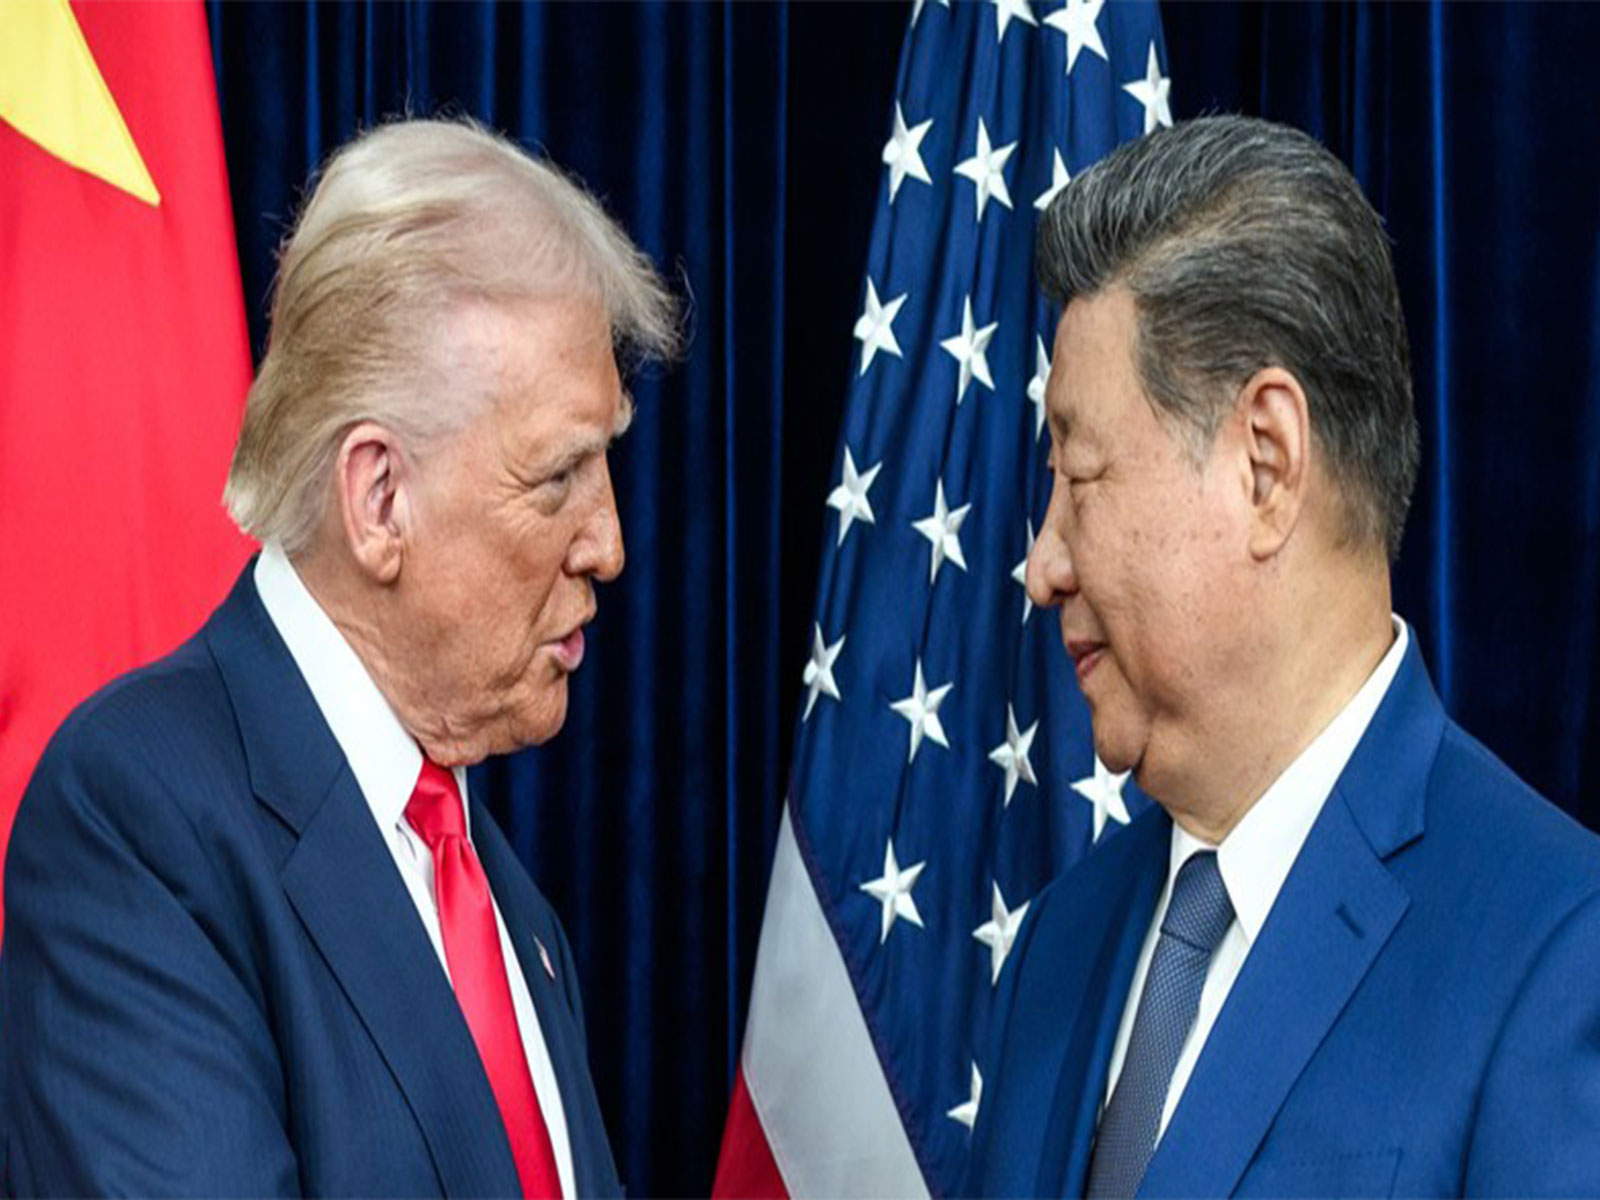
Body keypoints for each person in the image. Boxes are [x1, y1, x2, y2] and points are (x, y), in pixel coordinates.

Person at [0, 118, 677, 1196]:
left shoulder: (511, 912)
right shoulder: (135, 821)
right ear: (378, 500)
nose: (607, 542)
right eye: (558, 478)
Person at [964, 115, 1600, 1198]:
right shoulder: (1054, 955)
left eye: (1080, 477)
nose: (1041, 564)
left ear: (1265, 463)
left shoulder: (1557, 954)